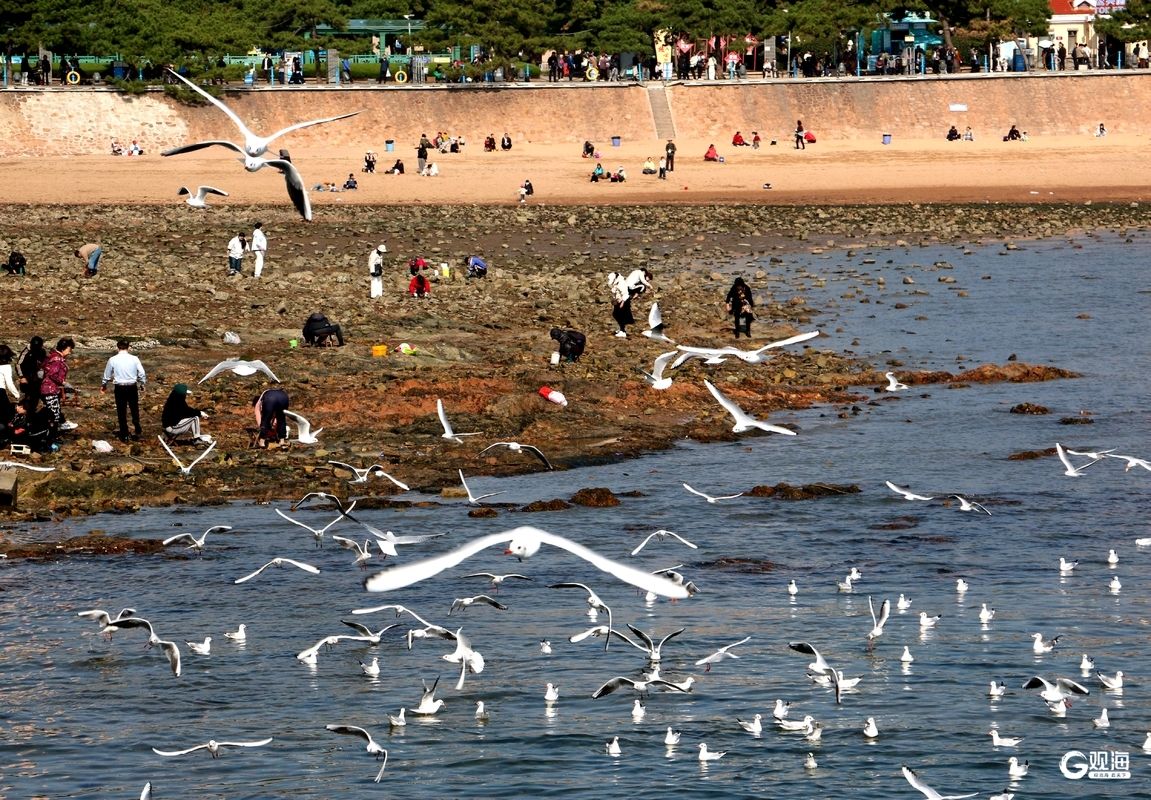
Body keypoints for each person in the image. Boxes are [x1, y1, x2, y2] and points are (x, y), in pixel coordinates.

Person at [100, 339, 146, 442]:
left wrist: (104, 385)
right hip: (132, 386)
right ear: (128, 347)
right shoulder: (134, 358)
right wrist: (142, 383)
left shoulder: (112, 359)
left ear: (118, 348)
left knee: (121, 410)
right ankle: (137, 424)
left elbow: (107, 374)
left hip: (120, 387)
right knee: (134, 407)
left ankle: (124, 434)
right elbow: (142, 373)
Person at [40, 337, 75, 433]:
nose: (70, 352)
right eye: (69, 349)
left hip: (49, 389)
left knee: (54, 411)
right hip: (50, 389)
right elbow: (52, 374)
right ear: (63, 348)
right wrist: (63, 382)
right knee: (54, 414)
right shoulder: (57, 359)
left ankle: (52, 431)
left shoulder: (53, 356)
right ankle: (51, 434)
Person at [17, 335, 47, 414]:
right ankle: (25, 413)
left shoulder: (42, 352)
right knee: (28, 396)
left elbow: (44, 364)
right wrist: (22, 376)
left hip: (37, 377)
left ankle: (32, 413)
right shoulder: (26, 351)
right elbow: (18, 364)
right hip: (26, 377)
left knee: (36, 396)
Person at [607, 271, 634, 337]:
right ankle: (621, 329)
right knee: (616, 314)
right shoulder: (615, 283)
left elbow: (625, 294)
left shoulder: (621, 283)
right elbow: (615, 292)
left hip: (624, 301)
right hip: (618, 301)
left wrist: (622, 303)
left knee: (620, 316)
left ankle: (623, 331)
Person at [0, 344, 18, 427]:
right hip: (0, 392)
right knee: (5, 416)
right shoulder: (6, 367)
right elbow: (9, 384)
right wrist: (16, 395)